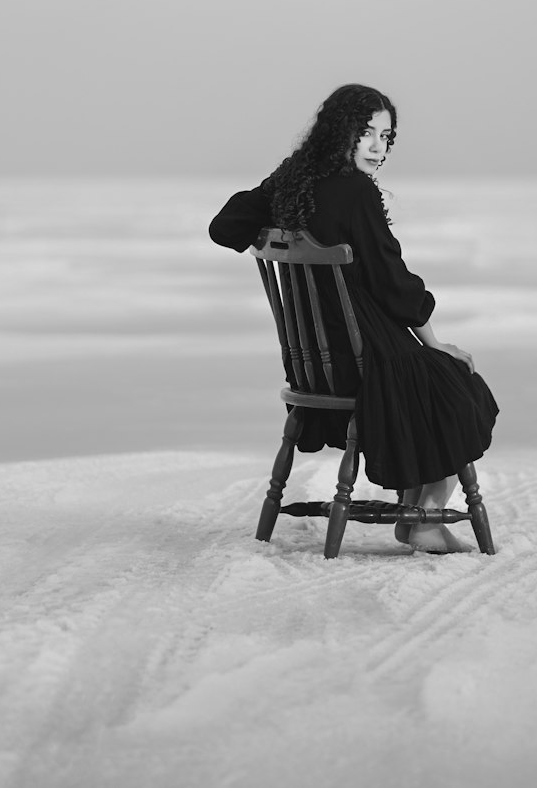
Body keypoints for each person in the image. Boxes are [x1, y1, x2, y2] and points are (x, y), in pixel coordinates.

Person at [208, 82, 498, 554]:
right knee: (455, 382)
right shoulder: (355, 192)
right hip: (363, 355)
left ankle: (418, 515)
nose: (377, 147)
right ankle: (422, 518)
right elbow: (392, 283)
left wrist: (278, 217)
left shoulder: (293, 180)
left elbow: (224, 227)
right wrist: (434, 341)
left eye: (386, 137)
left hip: (314, 364)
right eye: (366, 133)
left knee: (434, 380)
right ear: (339, 132)